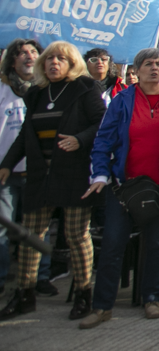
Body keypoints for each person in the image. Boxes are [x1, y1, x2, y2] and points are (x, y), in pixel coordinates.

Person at [0, 41, 106, 321]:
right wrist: (7, 164)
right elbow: (26, 133)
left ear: (72, 63)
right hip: (40, 174)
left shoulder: (85, 88)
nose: (53, 63)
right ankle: (24, 295)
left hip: (74, 173)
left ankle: (83, 294)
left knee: (76, 235)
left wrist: (80, 139)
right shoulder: (36, 93)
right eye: (49, 58)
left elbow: (103, 123)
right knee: (31, 235)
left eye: (60, 58)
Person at [78, 48, 159, 328]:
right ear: (136, 70)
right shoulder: (122, 100)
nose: (154, 68)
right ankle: (102, 306)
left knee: (157, 244)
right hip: (125, 187)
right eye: (148, 64)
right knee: (113, 245)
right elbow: (103, 140)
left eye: (158, 63)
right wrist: (100, 174)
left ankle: (152, 298)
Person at [0, 38, 54, 298]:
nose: (29, 56)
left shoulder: (46, 91)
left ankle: (40, 277)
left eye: (34, 52)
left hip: (37, 171)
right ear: (12, 60)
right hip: (6, 174)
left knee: (38, 228)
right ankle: (2, 278)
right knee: (4, 228)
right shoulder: (3, 89)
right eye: (22, 53)